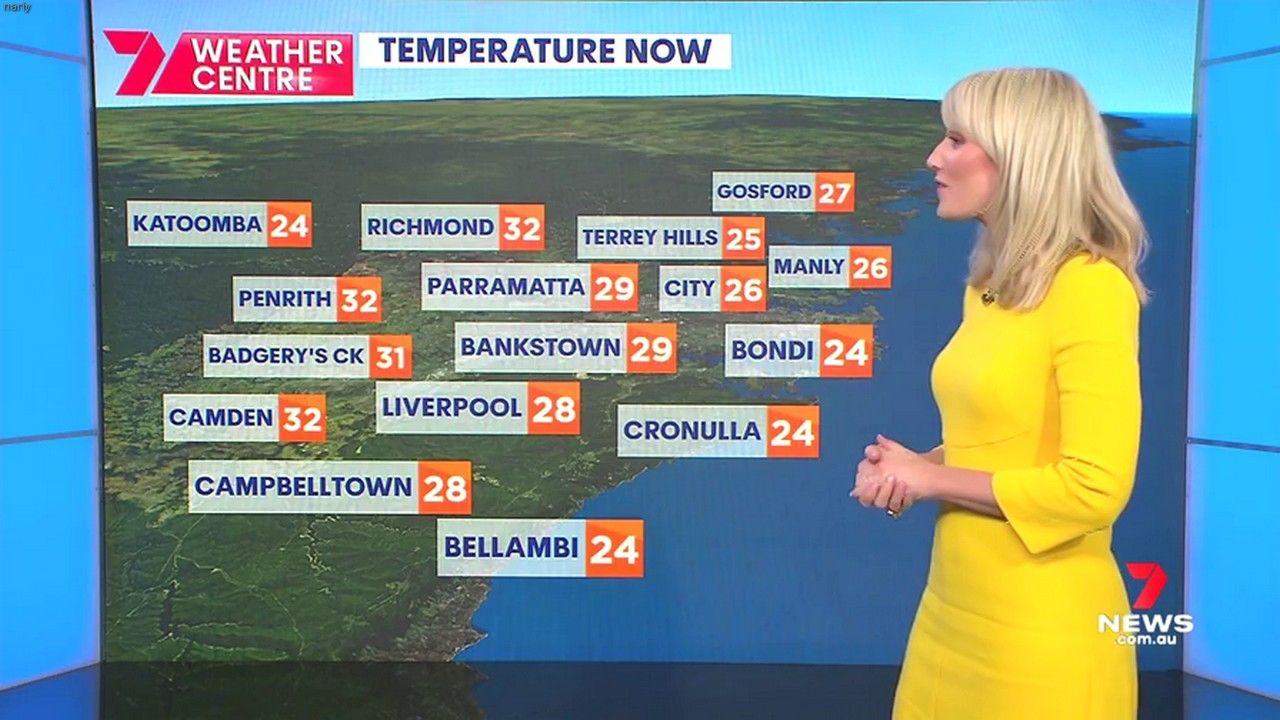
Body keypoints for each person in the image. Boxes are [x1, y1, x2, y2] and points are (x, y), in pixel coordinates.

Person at [850, 67, 1149, 719]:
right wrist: (914, 468)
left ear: (1021, 154)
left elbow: (1094, 489)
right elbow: (1001, 441)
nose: (934, 158)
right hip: (951, 618)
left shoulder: (1091, 288)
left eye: (956, 140)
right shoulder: (991, 287)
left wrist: (932, 480)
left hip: (1038, 640)